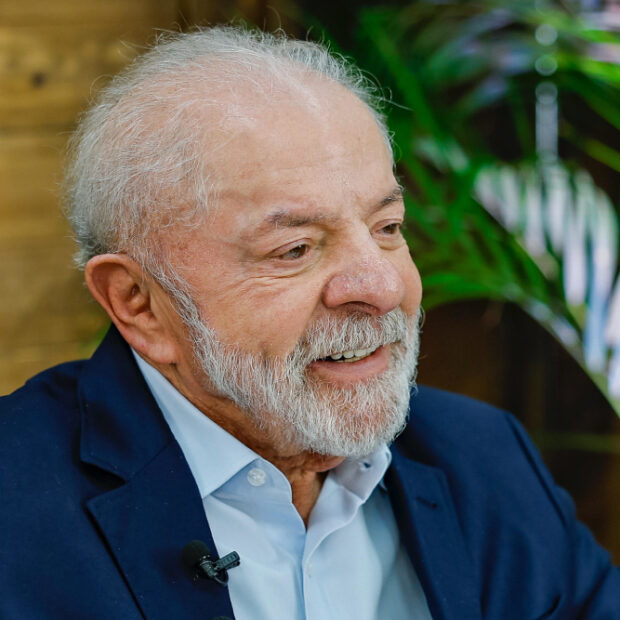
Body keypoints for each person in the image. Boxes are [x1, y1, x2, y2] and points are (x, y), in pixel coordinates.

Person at [0, 26, 618, 620]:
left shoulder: (485, 459)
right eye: (295, 249)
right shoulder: (17, 512)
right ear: (138, 301)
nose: (381, 287)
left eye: (388, 228)